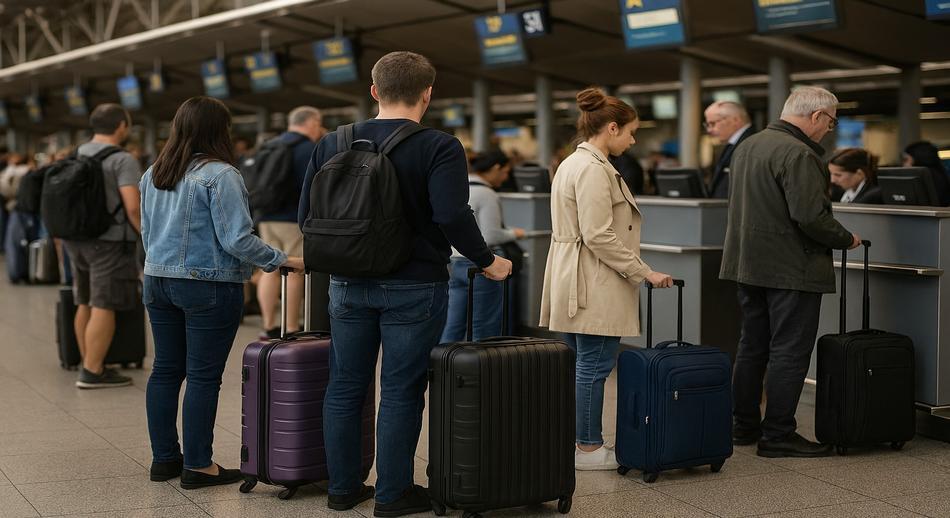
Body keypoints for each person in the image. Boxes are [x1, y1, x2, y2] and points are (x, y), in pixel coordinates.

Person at [298, 51, 511, 516]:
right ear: (428, 94)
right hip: (414, 285)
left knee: (345, 385)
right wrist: (487, 261)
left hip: (346, 284)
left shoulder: (332, 142)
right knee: (399, 389)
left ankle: (342, 490)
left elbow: (306, 218)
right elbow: (451, 214)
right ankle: (392, 495)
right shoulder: (439, 146)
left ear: (374, 91)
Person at [140, 96, 303, 489]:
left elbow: (146, 233)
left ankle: (165, 460)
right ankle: (198, 465)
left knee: (165, 370)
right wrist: (283, 260)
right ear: (220, 130)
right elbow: (237, 240)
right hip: (208, 286)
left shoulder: (154, 173)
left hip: (157, 280)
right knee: (202, 376)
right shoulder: (220, 174)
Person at [720, 86, 861, 458]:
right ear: (816, 116)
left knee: (752, 347)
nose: (829, 129)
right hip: (790, 268)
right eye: (830, 122)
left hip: (748, 265)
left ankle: (744, 426)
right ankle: (778, 434)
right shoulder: (800, 153)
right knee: (789, 351)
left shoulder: (748, 146)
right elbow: (810, 216)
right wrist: (846, 239)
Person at [539, 87, 674, 471]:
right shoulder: (593, 169)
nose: (633, 140)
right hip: (594, 279)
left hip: (573, 274)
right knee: (594, 367)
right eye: (630, 132)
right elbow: (599, 235)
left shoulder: (570, 163)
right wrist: (645, 272)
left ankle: (577, 442)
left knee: (579, 366)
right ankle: (588, 447)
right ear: (611, 128)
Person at [63, 104, 142, 389]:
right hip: (109, 242)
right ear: (121, 125)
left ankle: (89, 362)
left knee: (84, 300)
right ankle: (93, 371)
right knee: (104, 304)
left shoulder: (76, 153)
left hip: (76, 239)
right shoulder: (123, 159)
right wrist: (147, 235)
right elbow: (133, 207)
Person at [441, 150, 525, 343]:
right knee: (483, 326)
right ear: (496, 168)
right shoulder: (487, 194)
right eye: (505, 172)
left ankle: (442, 369)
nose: (505, 178)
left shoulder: (456, 187)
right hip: (481, 265)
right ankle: (481, 371)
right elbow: (491, 235)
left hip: (455, 262)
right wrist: (517, 233)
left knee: (453, 325)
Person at [256, 107, 324, 339]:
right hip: (292, 219)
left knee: (270, 268)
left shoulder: (271, 145)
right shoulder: (308, 149)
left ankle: (268, 325)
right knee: (294, 269)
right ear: (312, 122)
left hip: (266, 216)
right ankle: (292, 327)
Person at [704, 101, 754, 199]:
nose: (709, 130)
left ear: (735, 120)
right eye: (707, 125)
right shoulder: (731, 144)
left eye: (712, 123)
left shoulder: (750, 143)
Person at [903, 141, 950, 206]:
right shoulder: (939, 174)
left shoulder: (932, 178)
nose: (904, 165)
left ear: (918, 159)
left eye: (906, 160)